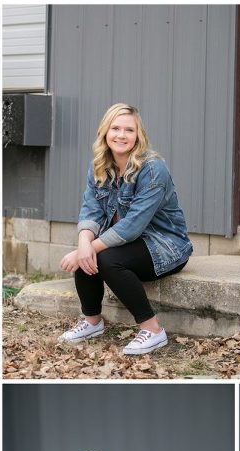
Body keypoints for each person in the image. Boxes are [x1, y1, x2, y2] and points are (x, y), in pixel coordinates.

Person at [58, 103, 193, 355]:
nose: (121, 135)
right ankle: (92, 322)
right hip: (130, 244)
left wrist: (84, 251)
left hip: (165, 246)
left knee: (101, 256)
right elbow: (91, 209)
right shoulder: (100, 165)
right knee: (90, 249)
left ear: (138, 135)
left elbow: (132, 226)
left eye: (129, 130)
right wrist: (84, 242)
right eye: (116, 128)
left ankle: (153, 330)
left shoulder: (153, 169)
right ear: (105, 132)